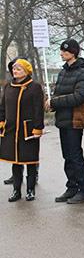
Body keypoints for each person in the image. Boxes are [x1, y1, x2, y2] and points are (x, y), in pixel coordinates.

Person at [46, 39, 84, 204]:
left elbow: (79, 97)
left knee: (75, 155)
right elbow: (59, 92)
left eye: (65, 51)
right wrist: (52, 103)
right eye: (61, 51)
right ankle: (71, 186)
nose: (61, 53)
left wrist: (55, 102)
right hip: (63, 119)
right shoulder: (63, 71)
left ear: (73, 52)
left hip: (75, 119)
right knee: (67, 156)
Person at [0, 58, 44, 202]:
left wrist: (38, 127)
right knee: (16, 162)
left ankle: (30, 190)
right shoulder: (8, 86)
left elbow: (39, 109)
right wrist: (1, 121)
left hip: (28, 130)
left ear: (26, 71)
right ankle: (16, 190)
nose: (15, 71)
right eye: (14, 69)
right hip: (11, 130)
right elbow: (2, 106)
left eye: (18, 69)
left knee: (30, 161)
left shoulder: (34, 87)